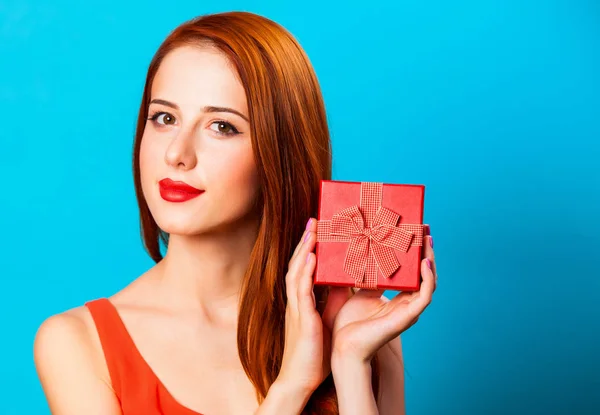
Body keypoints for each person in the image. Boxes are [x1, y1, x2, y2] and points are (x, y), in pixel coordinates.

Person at [33, 11, 437, 415]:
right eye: (165, 118)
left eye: (222, 127)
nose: (177, 154)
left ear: (280, 155)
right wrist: (292, 385)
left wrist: (350, 362)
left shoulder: (357, 319)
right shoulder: (76, 344)